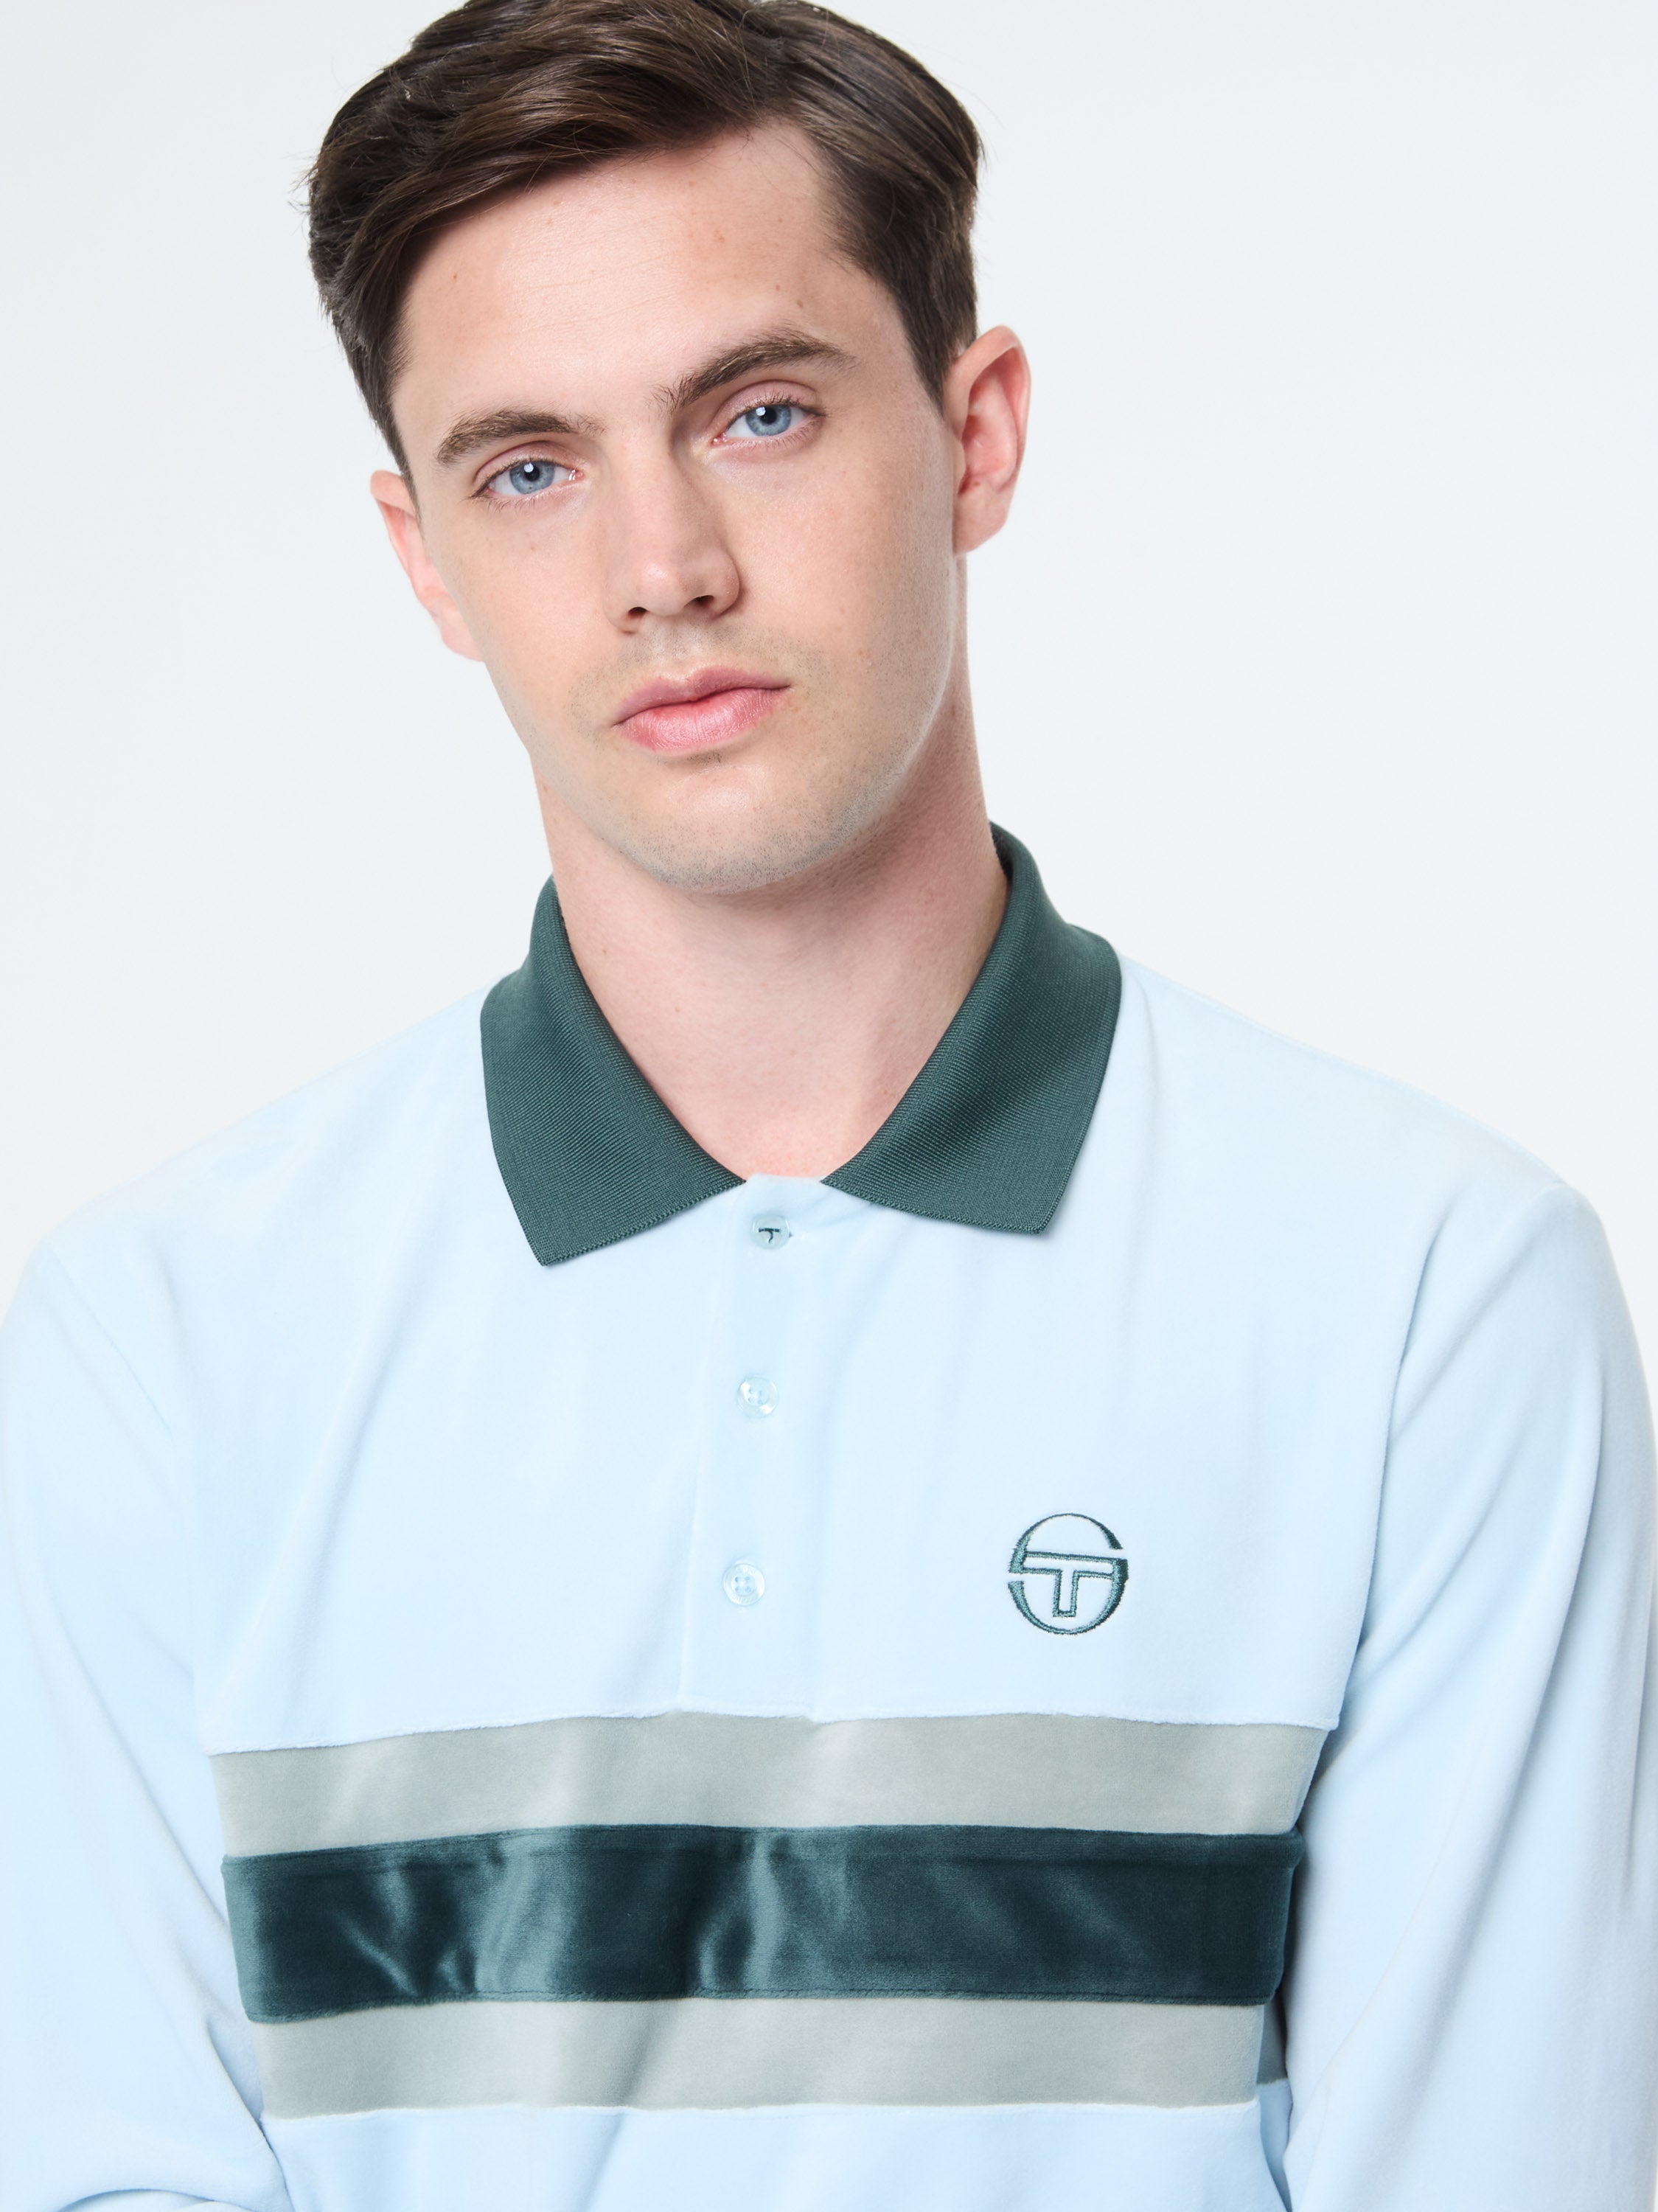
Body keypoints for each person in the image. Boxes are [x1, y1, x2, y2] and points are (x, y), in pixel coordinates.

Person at [1, 0, 1653, 2205]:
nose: (662, 565)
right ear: (424, 560)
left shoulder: (1429, 1298)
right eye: (528, 467)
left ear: (975, 435)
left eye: (759, 413)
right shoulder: (157, 1344)